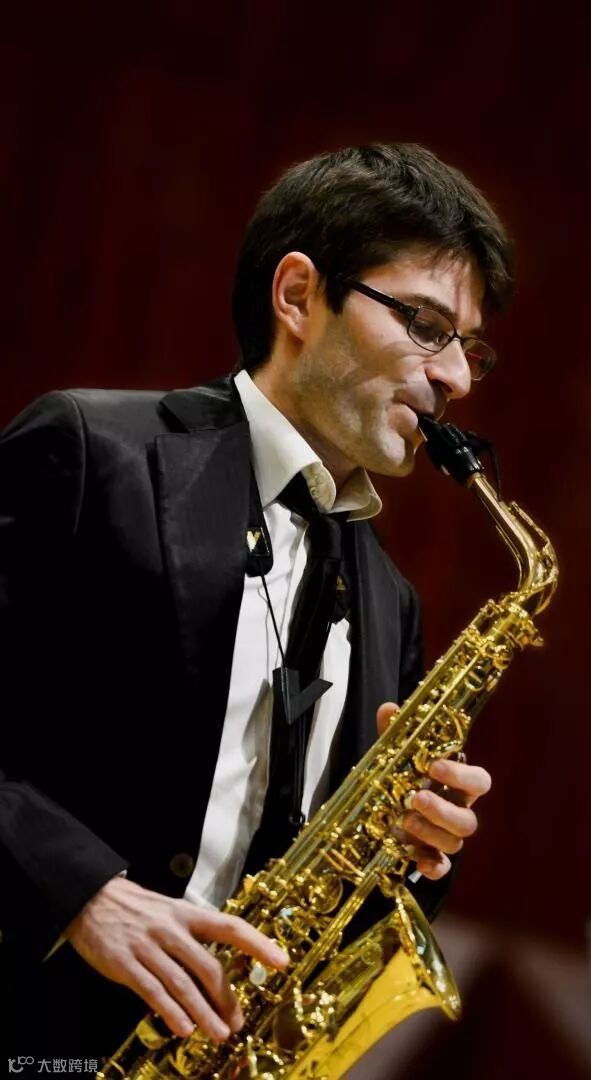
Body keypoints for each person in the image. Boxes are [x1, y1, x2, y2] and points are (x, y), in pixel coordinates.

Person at [0, 143, 514, 1061]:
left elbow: (338, 910)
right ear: (298, 296)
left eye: (467, 347)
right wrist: (78, 893)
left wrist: (412, 852)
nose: (455, 379)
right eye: (425, 326)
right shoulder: (91, 454)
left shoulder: (390, 603)